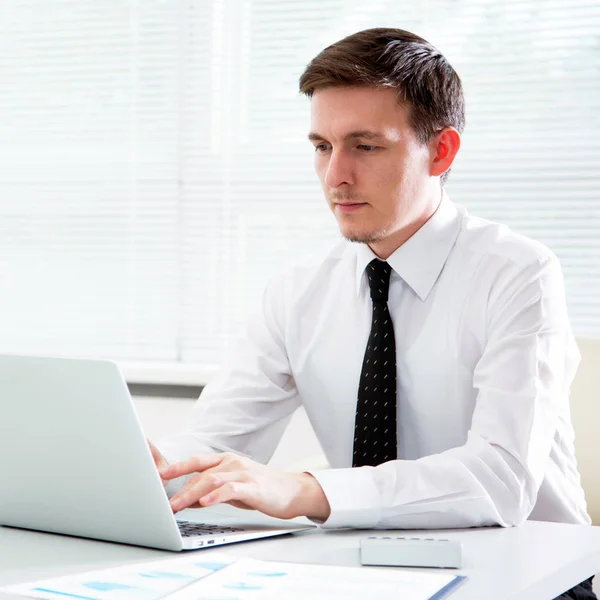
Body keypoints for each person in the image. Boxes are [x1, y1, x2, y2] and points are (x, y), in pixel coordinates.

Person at [150, 28, 595, 599]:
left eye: (365, 146)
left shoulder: (517, 272)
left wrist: (306, 489)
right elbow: (219, 443)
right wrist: (153, 471)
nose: (336, 176)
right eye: (321, 146)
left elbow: (499, 480)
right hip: (363, 573)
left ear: (441, 151)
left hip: (527, 577)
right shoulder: (298, 290)